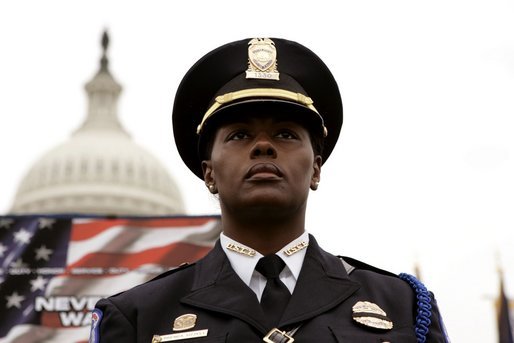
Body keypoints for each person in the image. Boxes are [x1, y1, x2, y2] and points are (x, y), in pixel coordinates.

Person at [91, 37, 449, 342]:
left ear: (316, 168)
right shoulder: (139, 315)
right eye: (240, 135)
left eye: (286, 134)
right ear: (209, 173)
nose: (263, 147)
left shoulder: (401, 305)